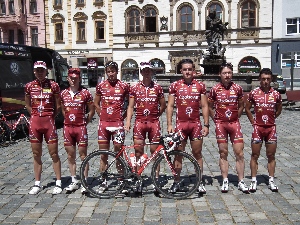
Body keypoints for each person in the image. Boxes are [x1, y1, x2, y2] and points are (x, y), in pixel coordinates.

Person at [167, 58, 209, 194]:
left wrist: (206, 124)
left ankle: (199, 181)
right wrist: (169, 124)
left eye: (190, 69)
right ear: (181, 71)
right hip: (181, 125)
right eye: (185, 69)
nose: (187, 72)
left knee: (197, 153)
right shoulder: (175, 86)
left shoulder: (200, 86)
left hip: (195, 124)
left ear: (194, 71)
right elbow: (170, 106)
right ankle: (176, 181)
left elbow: (204, 105)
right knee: (178, 154)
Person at [124, 62, 166, 191]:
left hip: (153, 122)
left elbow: (163, 105)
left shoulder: (158, 88)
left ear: (151, 72)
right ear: (141, 72)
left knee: (155, 152)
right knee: (138, 152)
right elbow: (130, 107)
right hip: (140, 122)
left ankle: (156, 178)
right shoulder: (135, 88)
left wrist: (156, 115)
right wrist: (128, 122)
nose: (146, 73)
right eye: (144, 71)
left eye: (148, 70)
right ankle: (138, 178)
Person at [207, 62, 248, 193]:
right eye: (224, 73)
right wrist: (216, 119)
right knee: (223, 152)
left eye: (229, 73)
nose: (227, 75)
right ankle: (225, 180)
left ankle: (241, 181)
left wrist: (237, 116)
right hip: (221, 125)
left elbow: (242, 105)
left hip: (234, 124)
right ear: (220, 74)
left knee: (239, 153)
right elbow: (209, 106)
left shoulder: (237, 88)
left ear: (232, 74)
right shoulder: (214, 89)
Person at [25, 61, 62, 195]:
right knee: (36, 154)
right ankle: (37, 183)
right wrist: (35, 115)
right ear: (34, 71)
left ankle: (58, 182)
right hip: (35, 122)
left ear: (46, 71)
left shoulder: (53, 85)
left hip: (49, 123)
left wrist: (51, 116)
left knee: (54, 154)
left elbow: (58, 105)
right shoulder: (29, 86)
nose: (40, 72)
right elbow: (27, 105)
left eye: (42, 70)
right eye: (37, 70)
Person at [94, 61, 129, 193]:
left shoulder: (124, 86)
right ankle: (104, 181)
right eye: (108, 71)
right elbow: (96, 103)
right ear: (106, 72)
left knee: (118, 153)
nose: (111, 73)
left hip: (118, 124)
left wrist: (123, 116)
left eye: (113, 71)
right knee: (103, 154)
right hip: (104, 124)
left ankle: (121, 180)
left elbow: (130, 103)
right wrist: (101, 115)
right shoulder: (101, 86)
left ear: (117, 71)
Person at [245, 68, 282, 192]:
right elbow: (247, 108)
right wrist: (252, 121)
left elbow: (279, 109)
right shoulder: (254, 93)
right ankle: (254, 180)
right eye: (263, 79)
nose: (265, 81)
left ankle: (271, 180)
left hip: (271, 128)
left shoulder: (276, 94)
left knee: (271, 155)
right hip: (258, 128)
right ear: (259, 79)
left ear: (271, 79)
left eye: (268, 79)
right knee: (255, 154)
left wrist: (272, 118)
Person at [60, 68, 95, 194]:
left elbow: (92, 109)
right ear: (68, 79)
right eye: (71, 78)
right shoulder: (63, 93)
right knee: (70, 155)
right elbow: (63, 109)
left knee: (83, 155)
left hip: (81, 127)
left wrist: (87, 120)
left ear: (79, 79)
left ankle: (85, 181)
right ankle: (74, 180)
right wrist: (67, 118)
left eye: (75, 78)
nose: (73, 80)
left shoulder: (85, 93)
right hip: (68, 127)